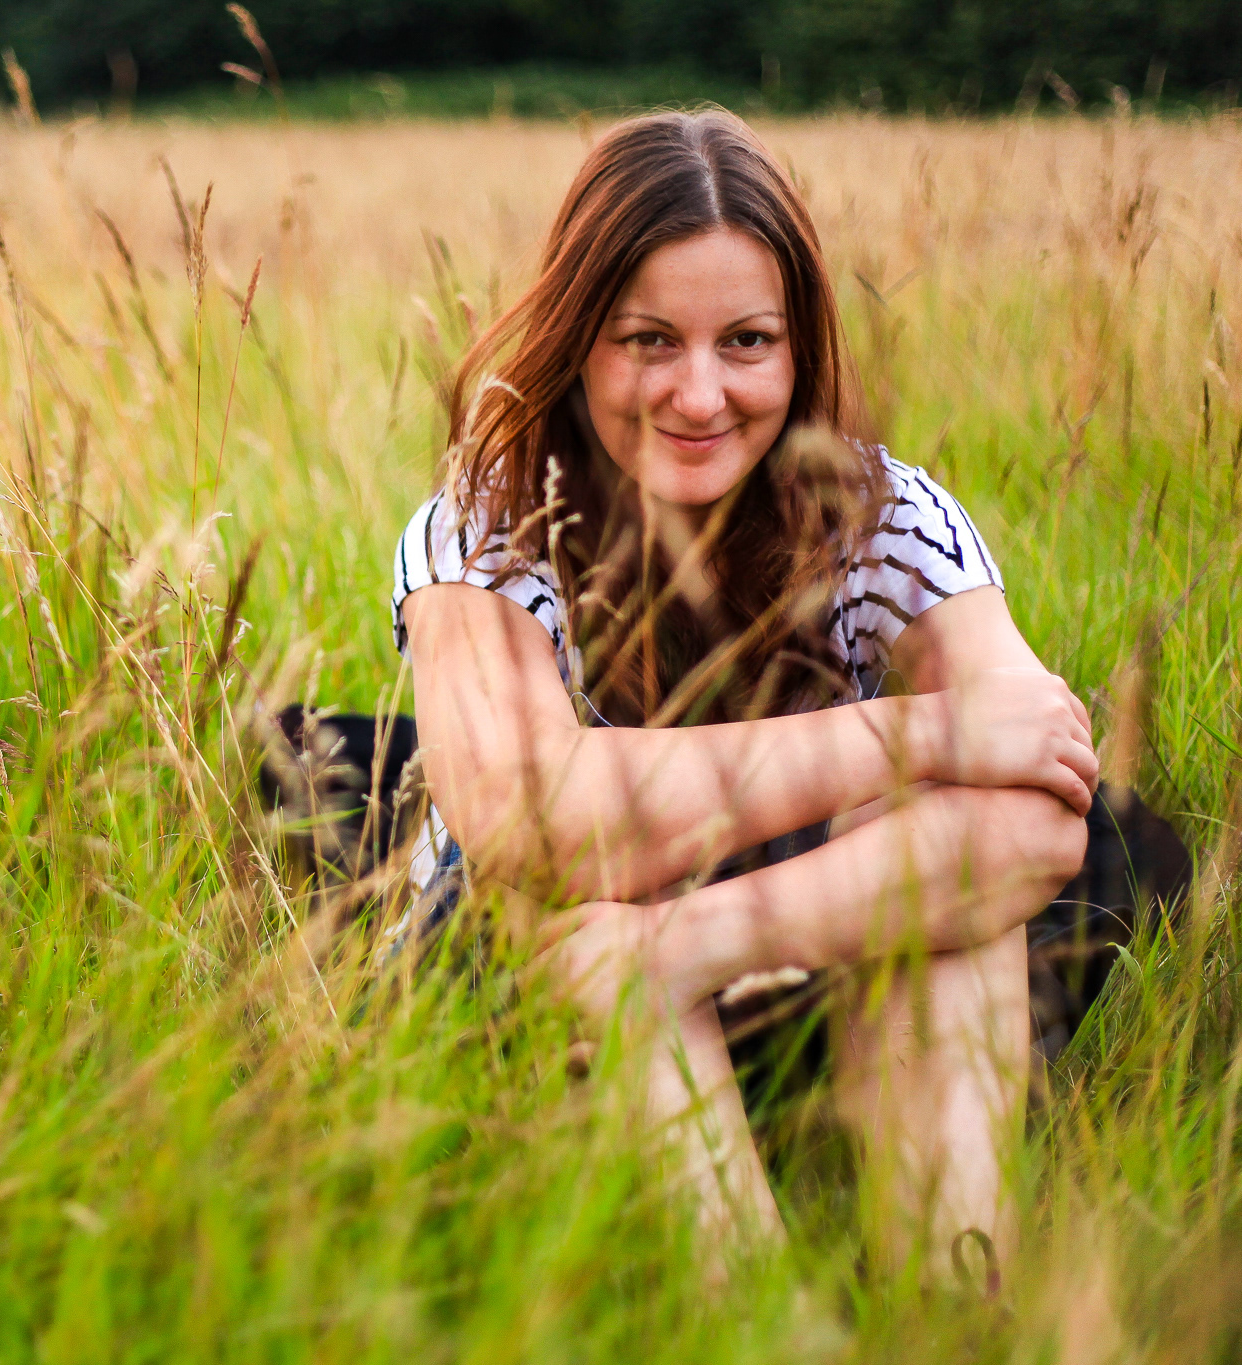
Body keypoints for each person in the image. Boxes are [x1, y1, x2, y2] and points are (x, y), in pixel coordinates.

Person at [390, 109, 1098, 1277]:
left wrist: (676, 949)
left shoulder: (882, 517)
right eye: (648, 341)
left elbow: (1040, 817)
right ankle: (747, 1314)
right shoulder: (488, 525)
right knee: (557, 894)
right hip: (532, 997)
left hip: (775, 969)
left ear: (798, 349)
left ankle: (950, 1308)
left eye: (746, 342)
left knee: (955, 904)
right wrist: (927, 732)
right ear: (578, 341)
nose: (699, 393)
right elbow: (534, 818)